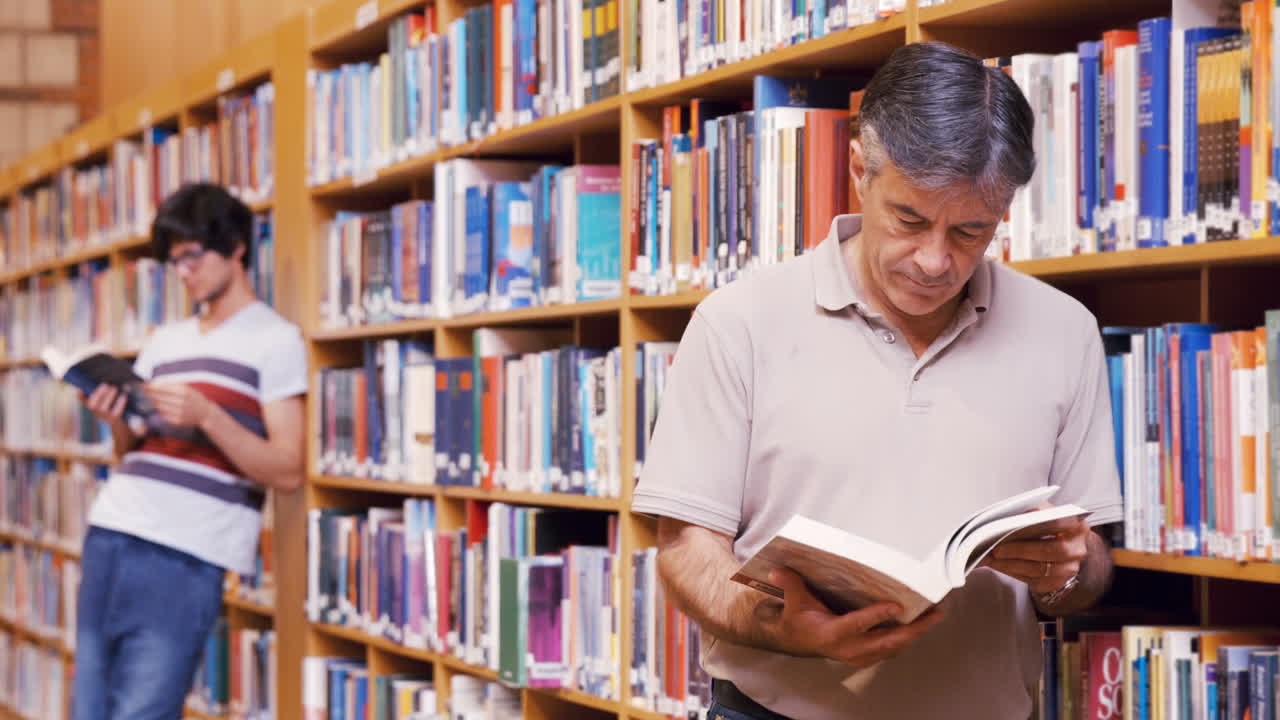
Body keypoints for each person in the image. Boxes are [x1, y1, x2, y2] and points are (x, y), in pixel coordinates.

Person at [632, 41, 1123, 720]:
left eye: (971, 231)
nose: (934, 261)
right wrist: (783, 628)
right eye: (910, 220)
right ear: (860, 170)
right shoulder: (737, 323)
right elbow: (686, 551)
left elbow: (1090, 566)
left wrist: (1067, 568)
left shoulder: (1065, 332)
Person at [71, 183, 307, 720]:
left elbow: (288, 470)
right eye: (173, 261)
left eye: (192, 256)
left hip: (187, 550)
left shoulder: (276, 340)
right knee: (87, 707)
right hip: (112, 531)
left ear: (236, 247)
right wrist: (115, 418)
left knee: (143, 710)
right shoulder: (166, 339)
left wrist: (208, 416)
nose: (182, 272)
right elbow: (131, 451)